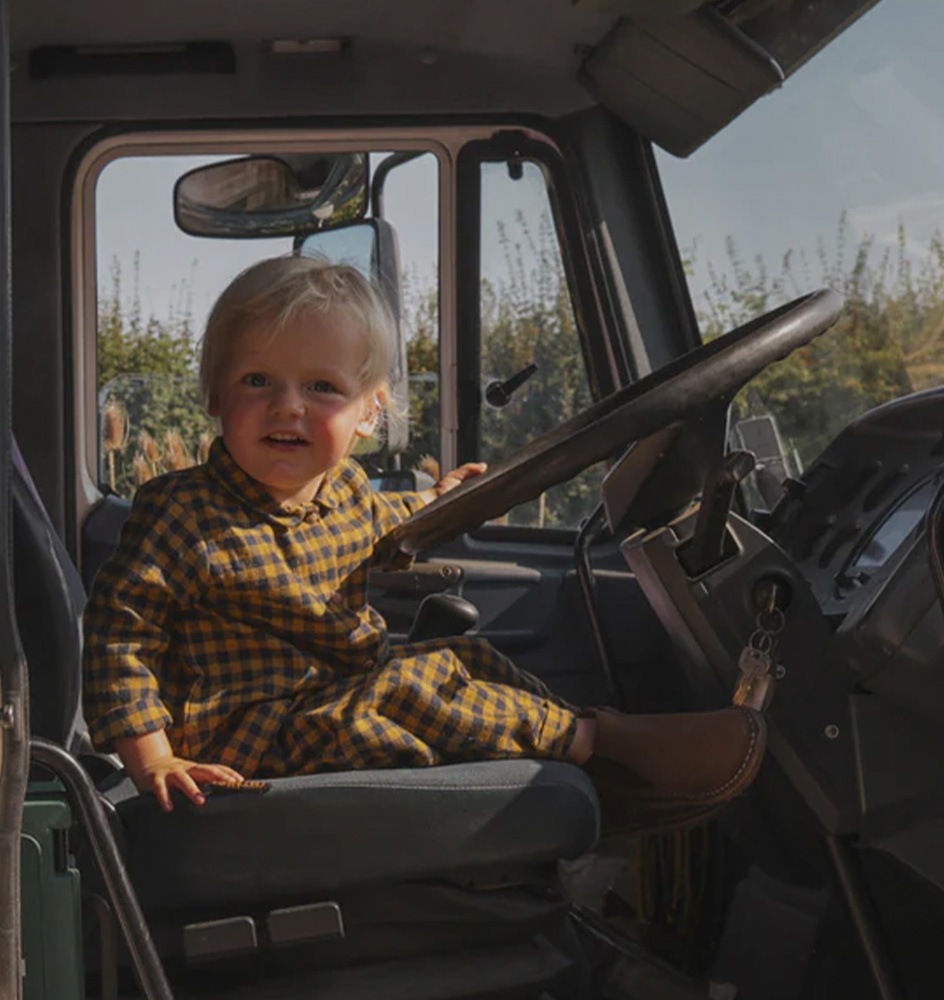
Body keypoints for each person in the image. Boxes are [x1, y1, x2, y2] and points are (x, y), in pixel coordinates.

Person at [83, 255, 766, 837]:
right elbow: (119, 638)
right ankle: (602, 741)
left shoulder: (344, 492)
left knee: (461, 656)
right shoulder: (179, 513)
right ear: (213, 395)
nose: (287, 406)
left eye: (321, 387)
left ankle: (585, 761)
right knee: (413, 687)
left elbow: (382, 521)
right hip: (240, 734)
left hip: (328, 700)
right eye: (257, 381)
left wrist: (439, 503)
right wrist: (153, 759)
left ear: (368, 413)